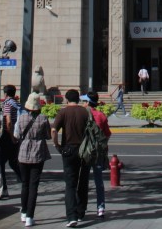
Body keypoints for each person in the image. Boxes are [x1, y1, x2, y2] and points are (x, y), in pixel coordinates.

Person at [51, 88, 90, 228]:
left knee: (70, 184)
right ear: (78, 99)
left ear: (67, 99)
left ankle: (71, 216)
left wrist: (56, 144)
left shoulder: (63, 112)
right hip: (84, 150)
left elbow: (53, 130)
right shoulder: (85, 112)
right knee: (83, 181)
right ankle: (81, 212)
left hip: (68, 150)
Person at [17, 93, 51, 228]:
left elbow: (17, 134)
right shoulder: (43, 118)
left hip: (23, 152)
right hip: (38, 153)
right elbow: (48, 135)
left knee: (24, 184)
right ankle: (30, 217)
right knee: (33, 185)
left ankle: (23, 212)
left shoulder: (21, 118)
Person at [80, 91, 111, 220]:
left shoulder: (82, 115)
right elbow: (107, 134)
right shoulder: (101, 115)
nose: (82, 103)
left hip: (85, 151)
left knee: (83, 180)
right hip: (97, 151)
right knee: (99, 180)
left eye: (84, 101)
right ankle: (100, 207)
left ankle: (82, 207)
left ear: (88, 102)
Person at [0, 84, 21, 199]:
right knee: (13, 162)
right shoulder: (17, 104)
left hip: (8, 136)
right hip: (16, 135)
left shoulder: (7, 104)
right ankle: (26, 181)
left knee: (0, 163)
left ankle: (4, 189)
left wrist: (11, 136)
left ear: (5, 93)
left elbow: (8, 121)